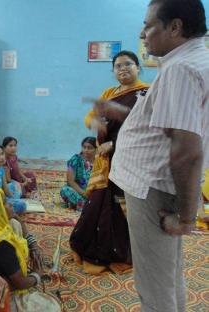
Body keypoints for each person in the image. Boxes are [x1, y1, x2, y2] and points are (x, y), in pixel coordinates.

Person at [95, 1, 208, 310]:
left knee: (154, 285)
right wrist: (116, 111)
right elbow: (161, 119)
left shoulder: (181, 69)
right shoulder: (190, 60)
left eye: (148, 25)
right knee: (168, 275)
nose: (142, 33)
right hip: (158, 185)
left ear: (175, 27)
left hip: (153, 188)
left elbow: (187, 150)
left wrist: (186, 218)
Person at [70, 51, 149, 275]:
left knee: (120, 204)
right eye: (118, 66)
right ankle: (95, 247)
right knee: (99, 203)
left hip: (129, 158)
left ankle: (121, 251)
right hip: (105, 160)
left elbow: (145, 128)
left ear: (138, 67)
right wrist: (95, 120)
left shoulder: (146, 93)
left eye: (128, 64)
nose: (123, 69)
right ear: (113, 71)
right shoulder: (110, 93)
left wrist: (114, 144)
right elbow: (90, 117)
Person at [0, 189, 58, 311]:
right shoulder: (1, 244)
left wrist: (31, 242)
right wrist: (37, 275)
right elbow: (20, 283)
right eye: (6, 203)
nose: (11, 205)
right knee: (51, 307)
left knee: (14, 224)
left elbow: (17, 226)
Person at [60, 137, 97, 212]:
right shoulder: (75, 159)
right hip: (79, 191)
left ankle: (88, 205)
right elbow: (70, 181)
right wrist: (84, 193)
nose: (86, 150)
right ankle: (85, 205)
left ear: (96, 149)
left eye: (90, 148)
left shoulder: (100, 161)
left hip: (94, 193)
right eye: (84, 147)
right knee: (65, 190)